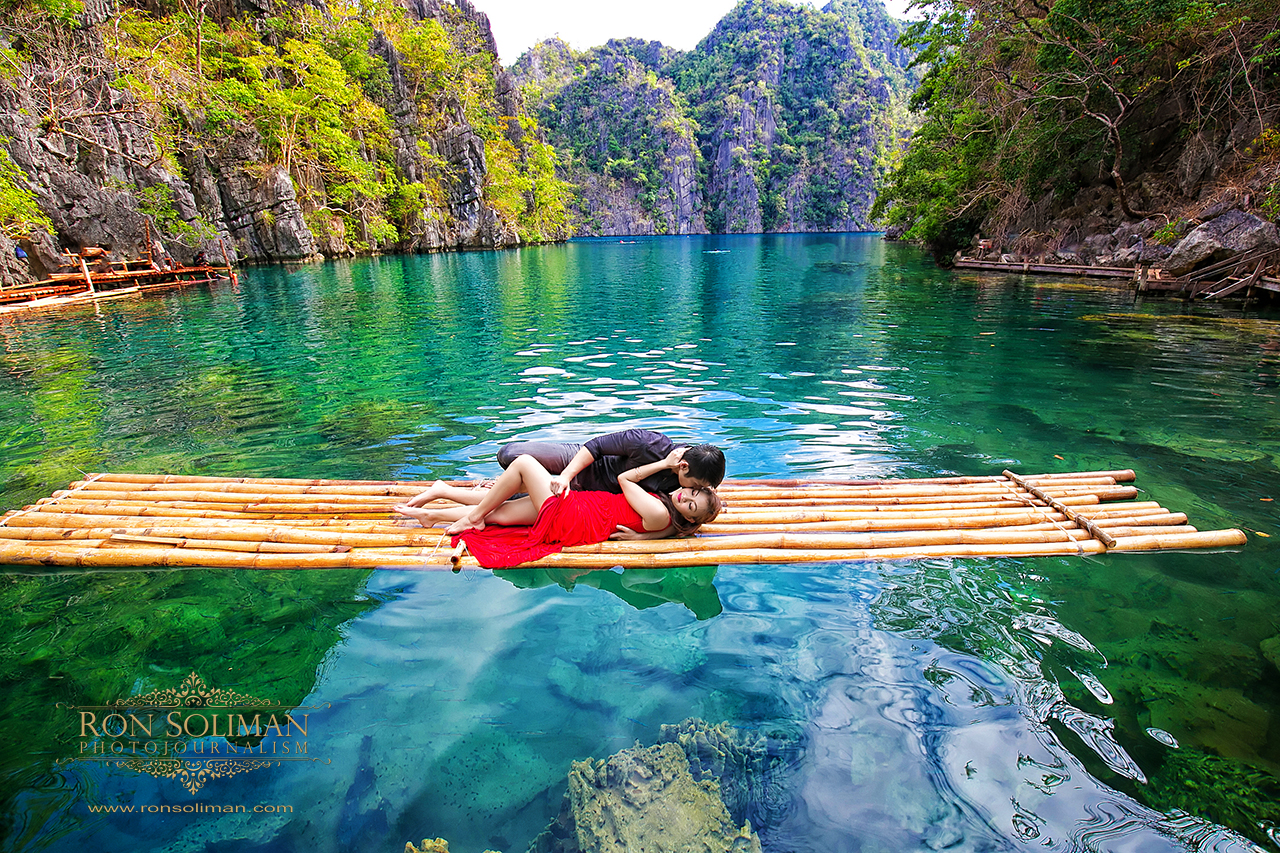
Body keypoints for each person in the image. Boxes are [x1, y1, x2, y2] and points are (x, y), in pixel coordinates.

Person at [394, 449, 722, 568]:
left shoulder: (661, 514)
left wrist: (662, 464)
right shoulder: (668, 522)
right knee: (502, 515)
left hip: (575, 516)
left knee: (523, 463)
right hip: (579, 517)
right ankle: (435, 510)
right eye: (691, 493)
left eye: (691, 505)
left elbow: (625, 479)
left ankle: (471, 514)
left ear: (689, 518)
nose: (685, 497)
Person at [497, 428, 725, 497]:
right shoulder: (649, 443)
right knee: (508, 454)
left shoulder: (682, 482)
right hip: (584, 464)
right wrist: (566, 475)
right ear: (683, 466)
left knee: (512, 497)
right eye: (695, 485)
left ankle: (519, 485)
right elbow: (596, 446)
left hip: (593, 496)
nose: (693, 491)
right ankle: (521, 480)